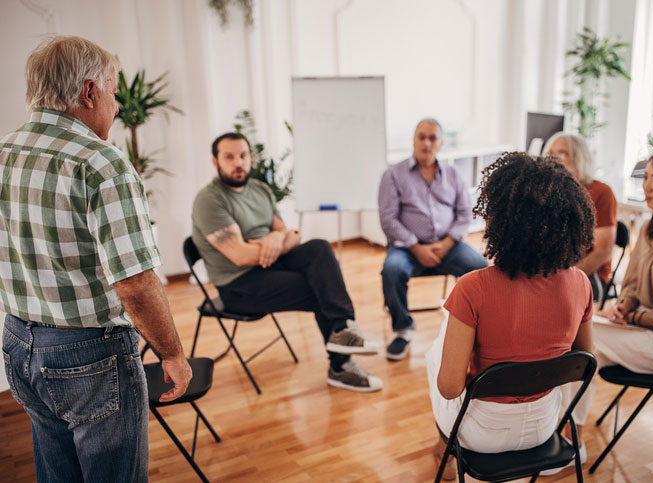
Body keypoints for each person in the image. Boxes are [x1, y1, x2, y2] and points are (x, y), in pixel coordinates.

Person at [0, 36, 191, 482]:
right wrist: (174, 354)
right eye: (112, 90)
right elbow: (136, 282)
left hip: (17, 342)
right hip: (89, 355)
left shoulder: (6, 151)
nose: (118, 105)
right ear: (88, 92)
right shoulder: (102, 163)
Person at [548, 147, 653, 475]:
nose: (646, 187)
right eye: (647, 178)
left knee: (580, 345)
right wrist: (625, 304)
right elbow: (633, 285)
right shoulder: (651, 228)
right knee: (574, 339)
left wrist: (635, 316)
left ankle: (571, 441)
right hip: (644, 330)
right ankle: (564, 434)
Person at [425, 152, 595, 480]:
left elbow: (449, 388)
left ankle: (446, 454)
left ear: (500, 220)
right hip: (545, 427)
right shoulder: (580, 283)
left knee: (436, 353)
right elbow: (584, 361)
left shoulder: (472, 287)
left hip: (481, 434)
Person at [192, 132, 382, 392]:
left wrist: (272, 238)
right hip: (238, 284)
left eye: (243, 156)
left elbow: (293, 235)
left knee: (319, 248)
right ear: (216, 162)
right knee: (320, 288)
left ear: (251, 158)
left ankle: (343, 328)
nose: (238, 163)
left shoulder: (260, 190)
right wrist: (277, 238)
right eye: (229, 157)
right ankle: (341, 367)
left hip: (270, 265)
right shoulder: (209, 200)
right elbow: (240, 255)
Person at [378, 119, 488, 361]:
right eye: (421, 137)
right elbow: (388, 220)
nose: (426, 143)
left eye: (432, 138)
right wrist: (417, 248)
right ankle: (402, 330)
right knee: (391, 271)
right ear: (414, 140)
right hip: (407, 247)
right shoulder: (393, 175)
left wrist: (447, 243)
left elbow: (464, 214)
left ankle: (479, 329)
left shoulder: (453, 174)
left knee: (482, 270)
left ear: (441, 143)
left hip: (448, 244)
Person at [543, 132, 617, 301]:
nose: (554, 158)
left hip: (588, 275)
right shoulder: (547, 191)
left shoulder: (601, 193)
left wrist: (565, 278)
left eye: (563, 153)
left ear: (580, 158)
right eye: (551, 153)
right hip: (551, 271)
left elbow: (603, 251)